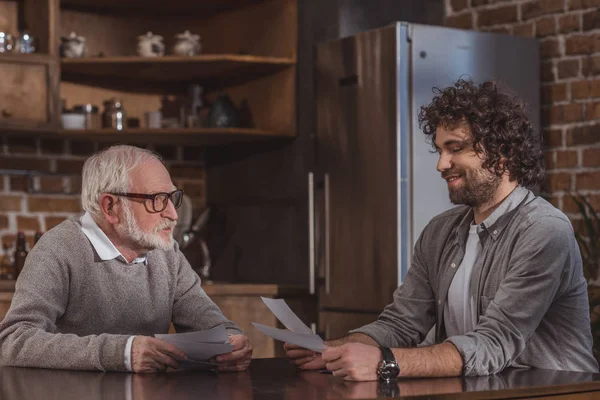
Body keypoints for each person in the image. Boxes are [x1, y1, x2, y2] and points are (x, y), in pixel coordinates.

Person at [286, 79, 599, 380]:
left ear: (503, 153)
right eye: (439, 150)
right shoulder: (440, 232)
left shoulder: (544, 231)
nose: (441, 164)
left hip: (557, 393)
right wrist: (331, 351)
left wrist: (386, 362)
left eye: (455, 148)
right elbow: (401, 324)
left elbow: (493, 343)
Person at [0, 145, 252, 373]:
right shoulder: (59, 248)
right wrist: (121, 352)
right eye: (157, 200)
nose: (173, 214)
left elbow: (209, 323)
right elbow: (14, 340)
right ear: (110, 207)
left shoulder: (166, 252)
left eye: (172, 198)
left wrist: (231, 341)